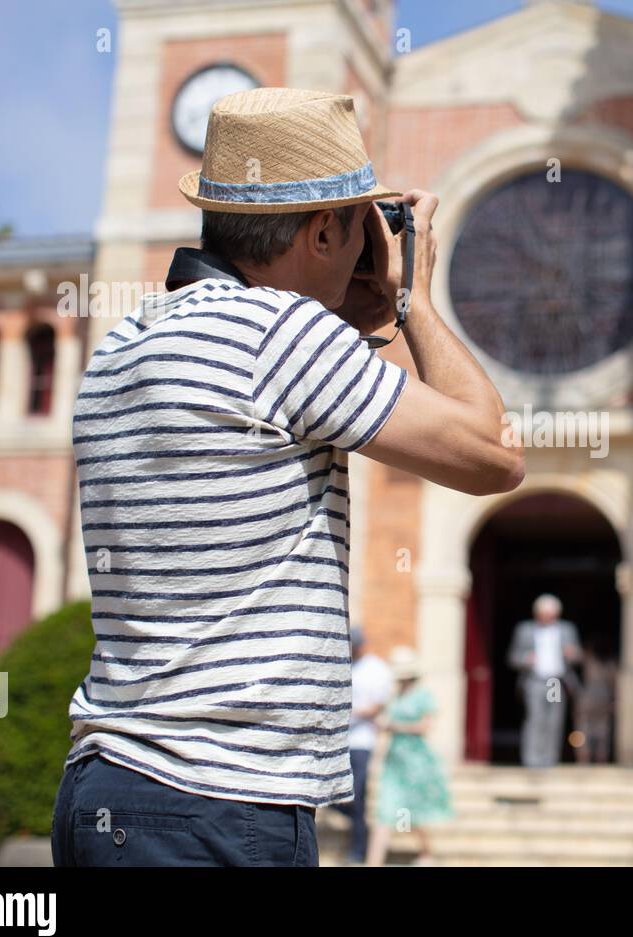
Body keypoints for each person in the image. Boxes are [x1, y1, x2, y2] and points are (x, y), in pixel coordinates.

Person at [50, 88, 522, 867]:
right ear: (325, 227)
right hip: (223, 801)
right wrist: (412, 301)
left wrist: (347, 311)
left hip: (104, 788)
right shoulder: (283, 334)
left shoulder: (124, 343)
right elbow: (494, 453)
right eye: (360, 226)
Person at [366, 647, 453, 866]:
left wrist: (393, 725)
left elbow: (425, 726)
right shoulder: (394, 696)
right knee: (384, 812)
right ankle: (373, 862)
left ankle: (426, 852)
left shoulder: (424, 695)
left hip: (416, 761)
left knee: (413, 812)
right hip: (394, 761)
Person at [336, 628, 392, 863]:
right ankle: (362, 831)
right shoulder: (340, 664)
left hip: (361, 741)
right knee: (333, 795)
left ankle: (359, 848)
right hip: (338, 740)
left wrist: (350, 713)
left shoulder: (375, 668)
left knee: (358, 795)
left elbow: (378, 705)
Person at [507, 594, 582, 767]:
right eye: (544, 614)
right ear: (537, 614)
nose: (548, 617)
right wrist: (526, 659)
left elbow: (578, 655)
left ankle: (549, 760)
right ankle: (532, 760)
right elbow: (513, 657)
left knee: (553, 720)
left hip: (555, 682)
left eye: (551, 614)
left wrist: (572, 653)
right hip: (534, 681)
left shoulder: (566, 630)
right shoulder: (525, 629)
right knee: (535, 719)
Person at [573, 637, 616, 765]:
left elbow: (575, 656)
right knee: (602, 730)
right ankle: (600, 759)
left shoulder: (589, 658)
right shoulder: (611, 662)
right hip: (604, 697)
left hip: (588, 697)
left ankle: (583, 759)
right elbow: (613, 684)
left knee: (583, 728)